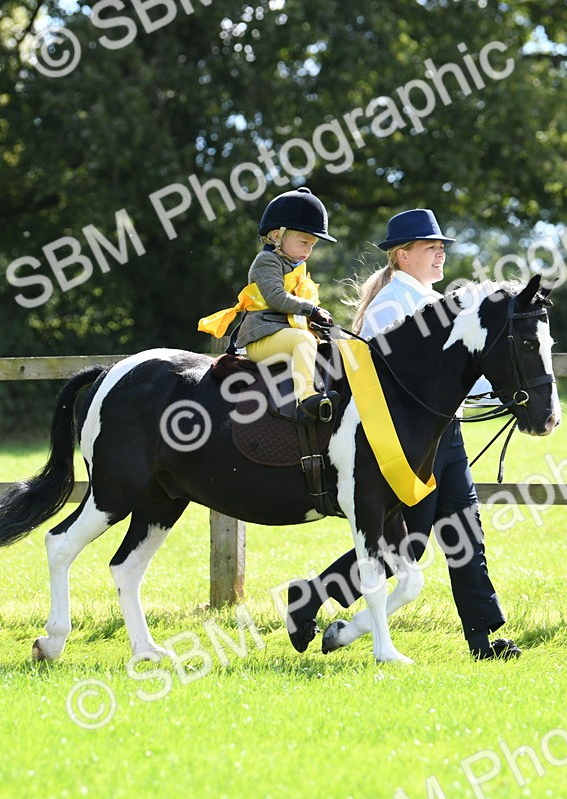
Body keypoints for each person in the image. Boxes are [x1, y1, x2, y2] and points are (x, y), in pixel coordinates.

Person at [285, 208, 522, 661]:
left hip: (442, 433)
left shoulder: (439, 301)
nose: (440, 254)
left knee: (464, 533)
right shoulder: (392, 304)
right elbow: (382, 375)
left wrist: (502, 393)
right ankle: (313, 598)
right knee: (405, 542)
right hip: (402, 440)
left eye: (441, 248)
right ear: (401, 255)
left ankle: (483, 641)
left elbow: (460, 367)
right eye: (430, 247)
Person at [198, 187, 338, 423]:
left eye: (313, 245)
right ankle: (306, 399)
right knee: (302, 340)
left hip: (282, 335)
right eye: (304, 242)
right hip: (260, 340)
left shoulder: (296, 267)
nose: (308, 250)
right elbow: (276, 298)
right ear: (276, 236)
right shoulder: (266, 262)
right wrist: (312, 310)